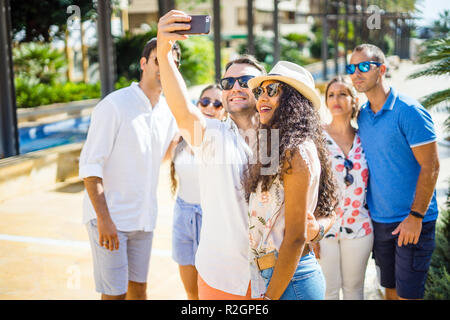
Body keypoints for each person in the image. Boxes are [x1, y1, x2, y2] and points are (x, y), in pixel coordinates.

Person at [156, 10, 336, 299]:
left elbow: (327, 203)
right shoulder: (212, 136)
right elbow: (182, 110)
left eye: (246, 81)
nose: (235, 88)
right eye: (227, 83)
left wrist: (318, 229)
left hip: (277, 277)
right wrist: (164, 53)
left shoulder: (288, 143)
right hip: (222, 279)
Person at [79, 38, 180, 300]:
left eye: (172, 63)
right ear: (143, 63)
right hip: (111, 218)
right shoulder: (114, 105)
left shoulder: (168, 110)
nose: (165, 68)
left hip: (143, 219)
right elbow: (90, 167)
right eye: (160, 60)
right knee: (115, 294)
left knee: (138, 290)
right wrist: (104, 220)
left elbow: (162, 155)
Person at [348, 43, 440, 300]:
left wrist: (416, 216)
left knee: (408, 297)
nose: (356, 72)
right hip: (380, 222)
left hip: (411, 221)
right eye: (351, 67)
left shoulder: (408, 111)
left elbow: (431, 165)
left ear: (382, 70)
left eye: (364, 66)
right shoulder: (363, 116)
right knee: (389, 291)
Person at [245, 61, 338, 300]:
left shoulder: (295, 152)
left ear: (293, 100)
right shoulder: (283, 147)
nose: (262, 98)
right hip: (280, 276)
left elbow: (296, 237)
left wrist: (268, 299)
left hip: (291, 282)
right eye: (259, 91)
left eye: (272, 90)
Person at [314, 75, 373, 300]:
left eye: (342, 94)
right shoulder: (316, 136)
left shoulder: (365, 137)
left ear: (353, 100)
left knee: (354, 291)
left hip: (359, 227)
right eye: (331, 94)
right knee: (327, 291)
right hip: (324, 227)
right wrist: (312, 233)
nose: (335, 99)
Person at [169, 84, 225, 300]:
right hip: (183, 215)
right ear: (197, 105)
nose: (210, 106)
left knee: (210, 292)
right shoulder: (181, 137)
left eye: (217, 103)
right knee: (191, 293)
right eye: (205, 101)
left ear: (224, 110)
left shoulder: (226, 139)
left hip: (212, 218)